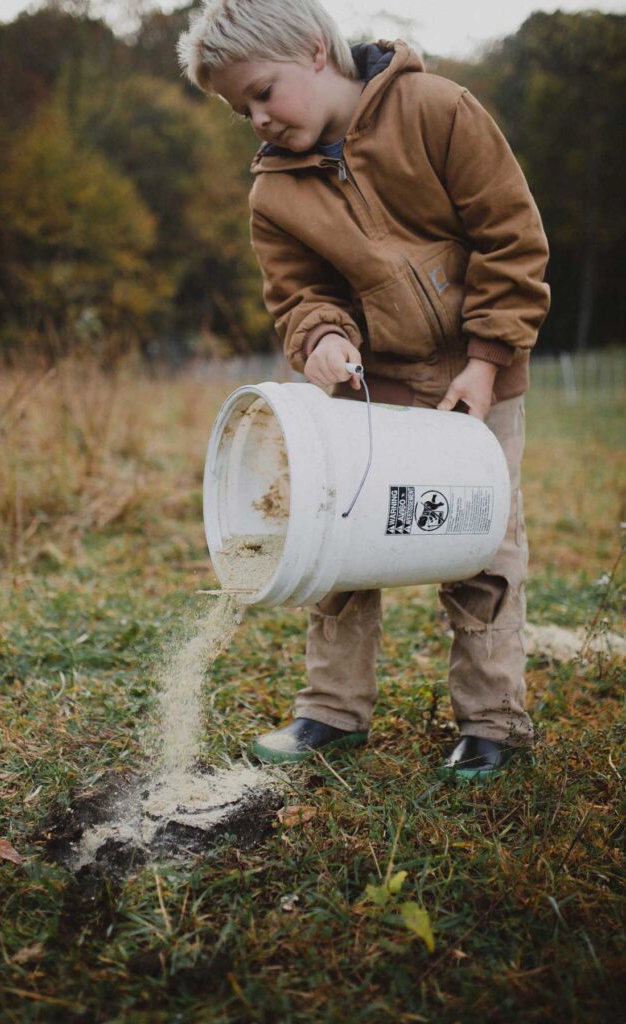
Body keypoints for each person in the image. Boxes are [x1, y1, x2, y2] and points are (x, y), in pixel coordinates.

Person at [178, 0, 550, 778]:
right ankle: (331, 712)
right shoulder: (273, 196)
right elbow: (298, 295)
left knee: (482, 550)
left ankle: (491, 722)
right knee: (334, 543)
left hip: (472, 381)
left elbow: (509, 238)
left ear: (315, 52)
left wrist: (484, 362)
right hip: (367, 392)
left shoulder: (437, 111)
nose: (256, 118)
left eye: (262, 92)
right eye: (239, 108)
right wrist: (321, 340)